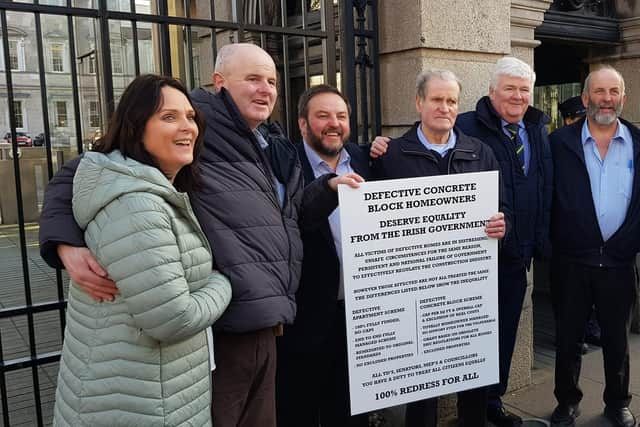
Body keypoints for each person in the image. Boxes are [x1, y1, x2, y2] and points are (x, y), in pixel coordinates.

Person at [39, 43, 361, 427]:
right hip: (220, 331)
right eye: (253, 79)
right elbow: (88, 172)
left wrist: (326, 191)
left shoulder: (271, 144)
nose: (265, 89)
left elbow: (282, 219)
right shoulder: (195, 126)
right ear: (219, 82)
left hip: (266, 324)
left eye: (272, 81)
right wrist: (64, 243)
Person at [370, 57, 552, 427]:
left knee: (473, 364)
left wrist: (502, 223)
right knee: (421, 377)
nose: (445, 108)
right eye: (437, 100)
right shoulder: (392, 157)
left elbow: (499, 204)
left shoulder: (478, 152)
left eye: (451, 101)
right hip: (418, 284)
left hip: (469, 282)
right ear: (419, 103)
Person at [52, 74, 232, 426]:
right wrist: (223, 283)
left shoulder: (160, 185)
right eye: (169, 117)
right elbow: (172, 318)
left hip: (152, 387)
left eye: (190, 117)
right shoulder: (139, 206)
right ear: (136, 128)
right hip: (141, 400)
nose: (187, 127)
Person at [548, 66, 639, 427]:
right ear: (586, 98)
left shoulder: (638, 140)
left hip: (619, 260)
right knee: (568, 339)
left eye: (613, 91)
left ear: (623, 98)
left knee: (618, 340)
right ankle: (567, 401)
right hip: (572, 260)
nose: (606, 99)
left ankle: (618, 402)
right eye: (599, 92)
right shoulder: (558, 143)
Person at [275, 84, 368, 427]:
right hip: (304, 318)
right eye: (323, 116)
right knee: (299, 407)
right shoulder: (285, 166)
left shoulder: (363, 158)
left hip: (358, 316)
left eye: (341, 116)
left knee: (349, 408)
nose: (334, 123)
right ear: (302, 124)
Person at [557, 95, 599, 355]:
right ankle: (571, 336)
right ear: (567, 119)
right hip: (567, 236)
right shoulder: (557, 144)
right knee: (569, 295)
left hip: (595, 234)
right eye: (576, 118)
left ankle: (591, 328)